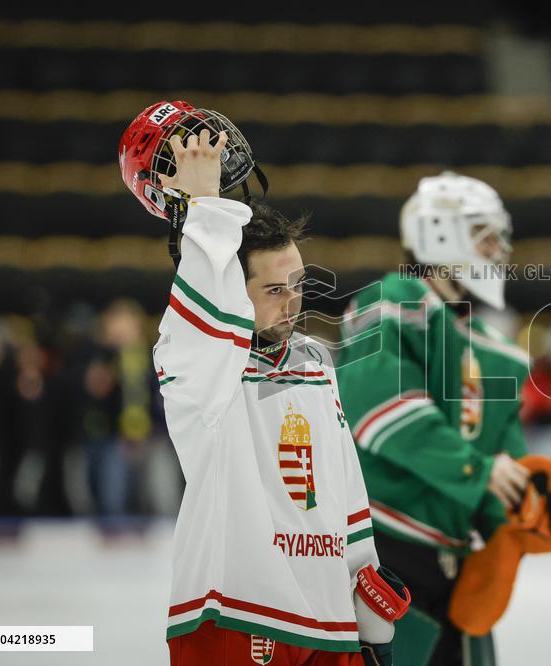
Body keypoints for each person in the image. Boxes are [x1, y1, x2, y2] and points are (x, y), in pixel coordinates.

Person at [119, 102, 409, 666]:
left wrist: (371, 623)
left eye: (298, 284)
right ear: (232, 289)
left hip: (329, 623)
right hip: (236, 619)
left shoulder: (314, 361)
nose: (294, 302)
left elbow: (343, 492)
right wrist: (204, 208)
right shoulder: (194, 363)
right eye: (273, 290)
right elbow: (208, 312)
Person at [334, 172, 534, 666]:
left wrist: (519, 523)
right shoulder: (391, 300)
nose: (499, 249)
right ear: (441, 234)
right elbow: (382, 416)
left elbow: (508, 458)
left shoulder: (501, 351)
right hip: (381, 550)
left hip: (456, 563)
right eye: (485, 234)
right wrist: (480, 473)